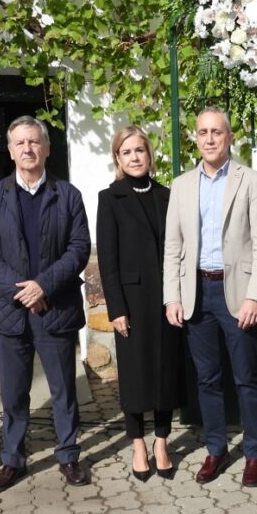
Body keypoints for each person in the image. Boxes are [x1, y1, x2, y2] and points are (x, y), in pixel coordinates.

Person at [0, 115, 91, 491]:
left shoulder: (68, 195)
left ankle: (69, 455)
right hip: (8, 313)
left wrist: (43, 286)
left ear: (46, 148)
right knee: (13, 392)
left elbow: (78, 249)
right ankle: (13, 458)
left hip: (54, 308)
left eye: (34, 142)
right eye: (20, 143)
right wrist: (23, 291)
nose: (27, 148)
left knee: (62, 390)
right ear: (10, 151)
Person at [163, 107, 257, 486]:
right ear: (195, 137)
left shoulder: (251, 180)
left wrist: (256, 297)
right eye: (202, 132)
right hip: (196, 293)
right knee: (207, 379)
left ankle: (254, 454)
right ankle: (216, 449)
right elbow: (173, 246)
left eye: (216, 132)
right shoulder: (181, 185)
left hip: (237, 294)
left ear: (229, 137)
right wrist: (172, 297)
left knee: (246, 378)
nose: (209, 139)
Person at [96, 125, 184, 482]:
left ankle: (161, 442)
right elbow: (108, 259)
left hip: (166, 299)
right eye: (126, 152)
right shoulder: (109, 197)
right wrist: (116, 308)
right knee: (134, 376)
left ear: (150, 155)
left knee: (165, 373)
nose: (134, 157)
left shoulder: (168, 195)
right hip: (130, 301)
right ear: (118, 158)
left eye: (140, 150)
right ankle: (138, 445)